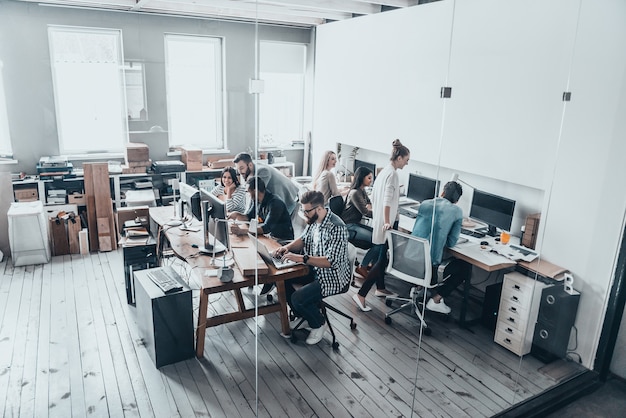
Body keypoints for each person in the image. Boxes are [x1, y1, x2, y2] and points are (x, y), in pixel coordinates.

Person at [275, 190, 351, 345]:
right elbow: (303, 239)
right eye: (303, 210)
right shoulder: (314, 221)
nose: (304, 214)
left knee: (298, 298)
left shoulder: (337, 227)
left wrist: (300, 258)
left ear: (319, 208)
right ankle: (307, 315)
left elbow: (331, 261)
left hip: (332, 277)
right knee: (283, 280)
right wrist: (287, 248)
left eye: (307, 211)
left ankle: (318, 323)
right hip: (313, 269)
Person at [352, 139, 410, 312]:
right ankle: (361, 295)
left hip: (380, 220)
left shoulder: (385, 171)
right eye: (406, 159)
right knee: (383, 259)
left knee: (381, 257)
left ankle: (380, 288)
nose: (407, 163)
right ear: (399, 158)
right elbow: (386, 201)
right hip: (386, 223)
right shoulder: (392, 174)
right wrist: (387, 222)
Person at [411, 181, 472, 314]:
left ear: (442, 193)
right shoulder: (456, 211)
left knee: (425, 254)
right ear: (456, 200)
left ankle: (417, 287)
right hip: (428, 269)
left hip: (408, 262)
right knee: (465, 267)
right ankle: (436, 299)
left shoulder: (425, 203)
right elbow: (451, 243)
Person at [229, 176, 294, 296]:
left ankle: (271, 280)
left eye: (249, 191)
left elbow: (266, 228)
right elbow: (249, 216)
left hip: (282, 241)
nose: (248, 194)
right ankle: (259, 279)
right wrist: (236, 214)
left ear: (256, 190)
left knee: (259, 253)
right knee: (251, 248)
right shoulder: (257, 200)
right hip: (269, 237)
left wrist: (242, 231)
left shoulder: (275, 203)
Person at [233, 152, 300, 215]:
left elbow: (256, 195)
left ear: (250, 165)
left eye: (241, 168)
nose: (240, 172)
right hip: (277, 200)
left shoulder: (263, 171)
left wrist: (246, 215)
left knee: (279, 224)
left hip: (289, 199)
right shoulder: (249, 173)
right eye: (238, 169)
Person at [340, 166, 374, 277]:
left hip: (356, 224)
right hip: (349, 226)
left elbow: (370, 205)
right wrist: (375, 211)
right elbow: (366, 211)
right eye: (369, 178)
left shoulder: (362, 191)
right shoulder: (355, 193)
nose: (371, 180)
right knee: (378, 240)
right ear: (361, 178)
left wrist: (370, 208)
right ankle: (362, 267)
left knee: (381, 238)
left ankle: (370, 265)